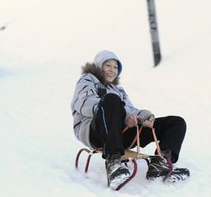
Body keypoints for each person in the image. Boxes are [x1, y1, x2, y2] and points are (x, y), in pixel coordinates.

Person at [70, 50, 189, 189]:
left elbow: (130, 109)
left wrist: (144, 117)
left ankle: (161, 162)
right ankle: (113, 162)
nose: (112, 70)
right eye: (108, 65)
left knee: (176, 122)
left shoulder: (118, 91)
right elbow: (83, 102)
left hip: (120, 133)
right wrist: (114, 111)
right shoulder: (87, 80)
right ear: (98, 66)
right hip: (95, 132)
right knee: (110, 101)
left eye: (115, 67)